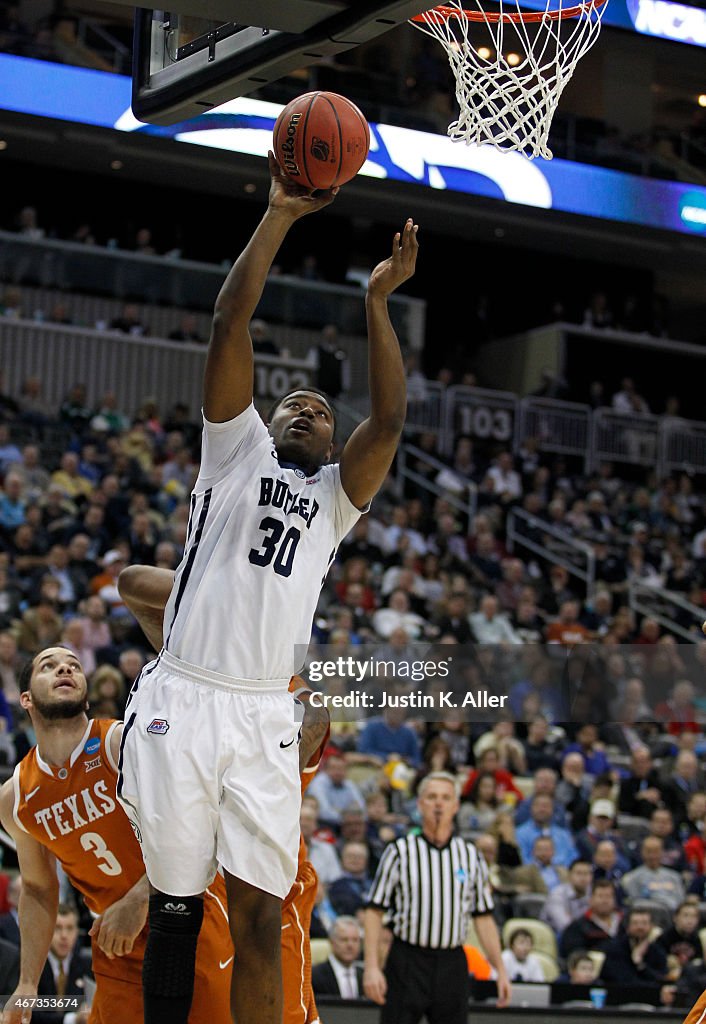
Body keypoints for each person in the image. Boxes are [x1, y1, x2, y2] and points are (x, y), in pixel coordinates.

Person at [116, 152, 417, 1024]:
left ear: (332, 444)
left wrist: (377, 303)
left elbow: (391, 418)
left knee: (259, 919)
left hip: (261, 715)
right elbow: (228, 321)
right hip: (183, 695)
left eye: (322, 408)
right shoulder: (234, 451)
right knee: (176, 903)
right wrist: (282, 214)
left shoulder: (334, 503)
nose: (307, 407)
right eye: (294, 400)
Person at [118, 562, 333, 1024]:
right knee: (176, 940)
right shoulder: (192, 679)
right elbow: (133, 583)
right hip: (199, 894)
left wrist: (260, 770)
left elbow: (316, 722)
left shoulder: (295, 700)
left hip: (264, 893)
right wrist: (212, 600)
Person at [0, 647, 232, 1024]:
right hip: (114, 935)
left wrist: (139, 898)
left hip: (187, 909)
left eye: (74, 665)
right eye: (49, 665)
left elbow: (200, 823)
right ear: (25, 698)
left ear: (86, 695)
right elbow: (40, 889)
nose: (65, 668)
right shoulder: (16, 797)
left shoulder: (122, 744)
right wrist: (28, 984)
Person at [363, 772, 511, 1022]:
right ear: (420, 805)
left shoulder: (470, 855)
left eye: (445, 797)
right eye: (432, 797)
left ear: (455, 806)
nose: (438, 803)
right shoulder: (399, 851)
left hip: (451, 962)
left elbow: (483, 918)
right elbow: (374, 911)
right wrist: (371, 967)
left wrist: (501, 969)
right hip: (407, 959)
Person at [311, 917, 364, 999]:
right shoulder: (313, 976)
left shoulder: (365, 977)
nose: (350, 945)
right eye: (344, 940)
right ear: (332, 942)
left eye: (355, 940)